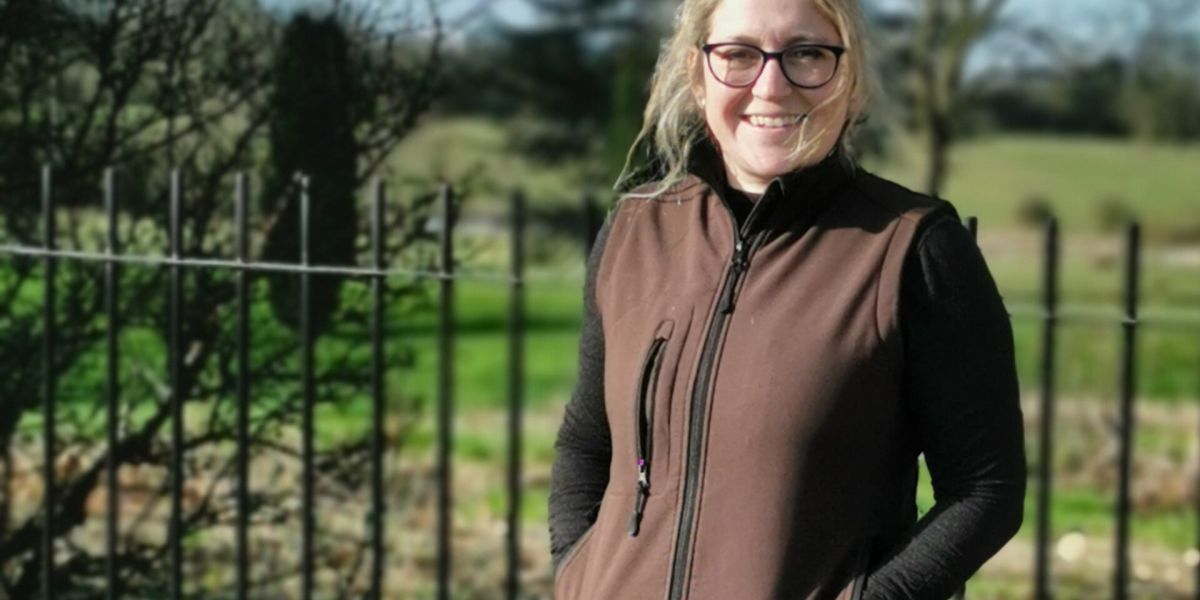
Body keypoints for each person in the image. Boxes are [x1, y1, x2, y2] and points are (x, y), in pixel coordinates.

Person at [548, 0, 1027, 597]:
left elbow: (986, 490)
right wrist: (577, 572)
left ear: (849, 79)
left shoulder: (914, 248)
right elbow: (588, 441)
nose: (771, 86)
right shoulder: (634, 230)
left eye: (807, 54)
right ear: (698, 76)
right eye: (738, 54)